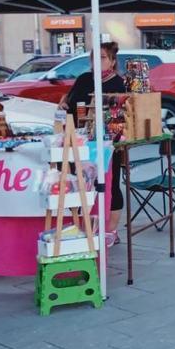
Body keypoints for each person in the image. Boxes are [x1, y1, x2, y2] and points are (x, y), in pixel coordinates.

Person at [58, 42, 126, 248]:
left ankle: (111, 230)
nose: (97, 62)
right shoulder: (84, 79)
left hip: (108, 141)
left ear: (113, 61)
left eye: (103, 57)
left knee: (110, 183)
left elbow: (122, 114)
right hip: (80, 138)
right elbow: (69, 102)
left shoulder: (118, 84)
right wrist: (63, 105)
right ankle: (85, 226)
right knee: (81, 181)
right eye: (94, 58)